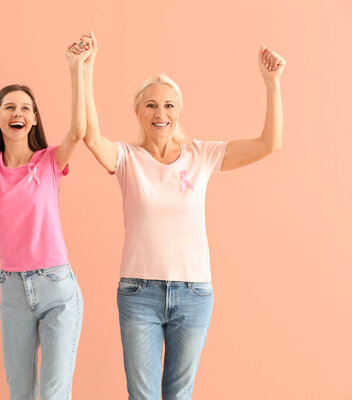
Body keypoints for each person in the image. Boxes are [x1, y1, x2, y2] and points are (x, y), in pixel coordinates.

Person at [79, 33, 285, 400]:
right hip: (139, 293)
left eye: (169, 105)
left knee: (179, 395)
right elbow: (91, 137)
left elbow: (269, 144)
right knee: (142, 396)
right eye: (152, 105)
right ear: (138, 111)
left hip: (194, 294)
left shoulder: (201, 155)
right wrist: (85, 69)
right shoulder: (126, 158)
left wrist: (272, 84)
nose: (161, 114)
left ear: (179, 112)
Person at [0, 37, 91, 399]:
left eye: (25, 108)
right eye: (8, 107)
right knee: (20, 392)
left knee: (53, 392)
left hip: (58, 288)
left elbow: (78, 132)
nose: (17, 113)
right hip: (13, 291)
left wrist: (76, 68)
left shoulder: (49, 161)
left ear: (33, 119)